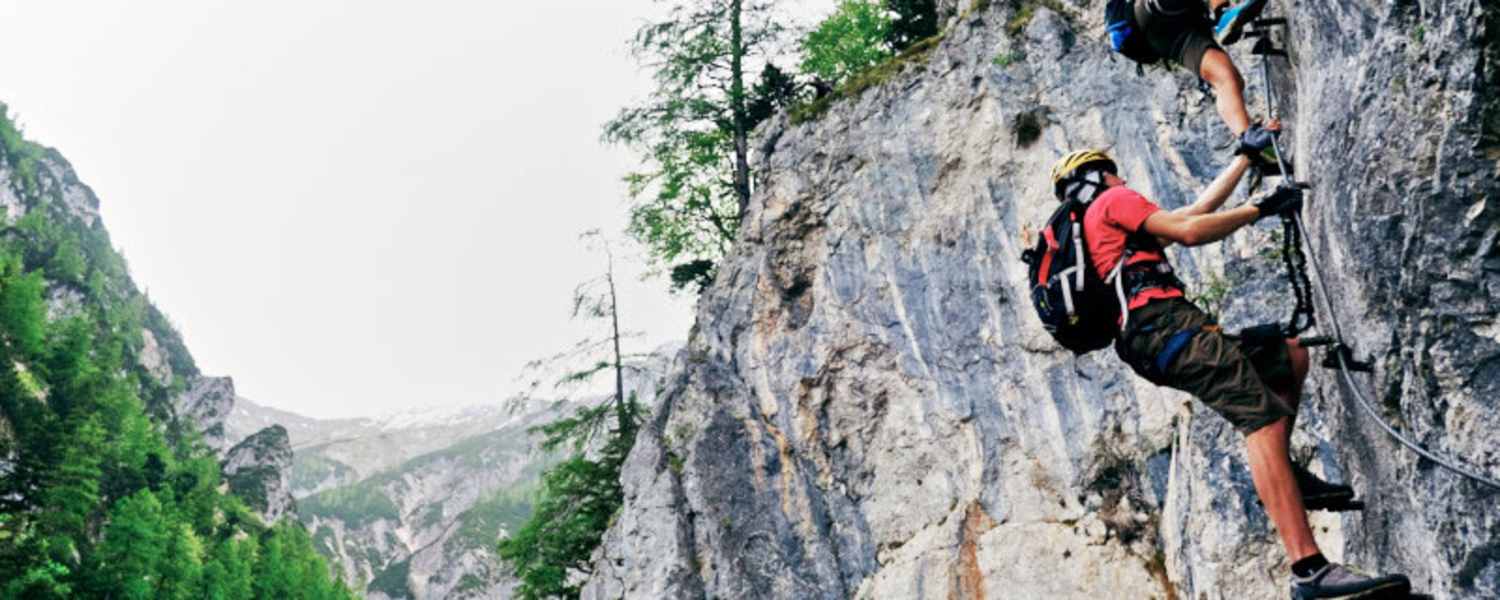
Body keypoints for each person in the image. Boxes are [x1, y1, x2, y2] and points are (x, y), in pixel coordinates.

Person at [1048, 147, 1412, 600]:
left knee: (1288, 354)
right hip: (1168, 329)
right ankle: (1309, 570)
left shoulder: (1103, 229)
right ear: (1098, 177)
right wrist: (1262, 208)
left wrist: (1244, 158)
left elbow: (1196, 211)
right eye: (1113, 172)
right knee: (1260, 421)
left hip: (1155, 338)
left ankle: (1287, 477)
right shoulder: (1110, 203)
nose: (1121, 178)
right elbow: (1191, 231)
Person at [1132, 0, 1280, 164]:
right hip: (1160, 10)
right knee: (1225, 78)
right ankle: (1222, 13)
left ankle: (1254, 146)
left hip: (1165, 28)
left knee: (1229, 81)